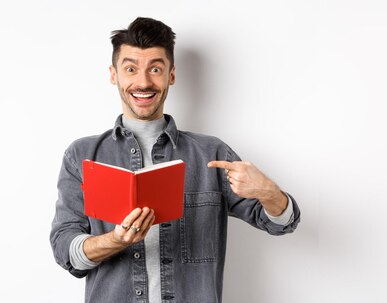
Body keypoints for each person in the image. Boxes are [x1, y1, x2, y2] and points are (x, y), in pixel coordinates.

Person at [50, 17, 300, 303]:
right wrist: (115, 241)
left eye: (155, 69)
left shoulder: (212, 154)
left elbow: (281, 223)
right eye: (130, 68)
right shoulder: (82, 156)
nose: (143, 82)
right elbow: (64, 249)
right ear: (113, 75)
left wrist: (269, 193)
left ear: (171, 75)